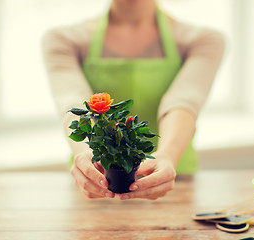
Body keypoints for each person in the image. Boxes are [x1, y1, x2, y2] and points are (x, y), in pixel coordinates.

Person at [42, 0, 225, 200]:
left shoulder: (203, 40)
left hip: (175, 180)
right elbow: (73, 103)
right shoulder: (63, 39)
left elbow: (183, 102)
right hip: (94, 183)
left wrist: (167, 156)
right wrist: (88, 157)